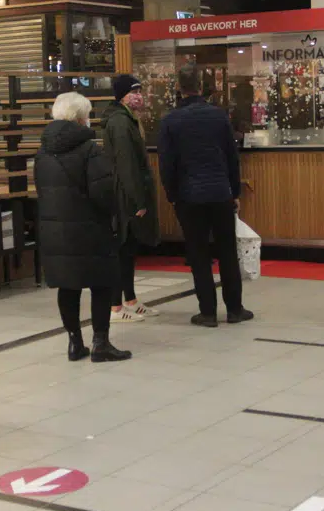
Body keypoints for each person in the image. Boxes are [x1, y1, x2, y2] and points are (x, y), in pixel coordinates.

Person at [37, 92, 132, 362]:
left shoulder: (42, 151)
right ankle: (100, 342)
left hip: (56, 231)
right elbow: (104, 194)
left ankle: (74, 343)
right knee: (102, 283)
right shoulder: (90, 150)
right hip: (91, 229)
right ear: (81, 118)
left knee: (68, 286)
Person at [159, 65, 252, 327]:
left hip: (189, 196)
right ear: (201, 86)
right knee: (227, 251)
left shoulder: (170, 120)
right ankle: (235, 309)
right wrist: (235, 191)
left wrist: (173, 195)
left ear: (180, 87)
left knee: (198, 255)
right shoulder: (218, 116)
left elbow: (167, 164)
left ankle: (207, 312)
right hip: (220, 192)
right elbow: (232, 158)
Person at [101, 74, 160, 322]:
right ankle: (115, 306)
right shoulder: (120, 123)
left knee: (129, 250)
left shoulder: (127, 119)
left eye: (139, 91)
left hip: (128, 194)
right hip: (125, 196)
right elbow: (127, 165)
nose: (139, 96)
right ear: (123, 96)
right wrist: (138, 201)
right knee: (122, 250)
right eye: (134, 92)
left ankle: (131, 299)